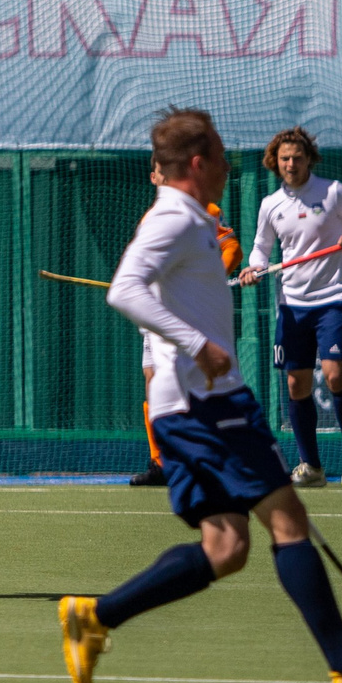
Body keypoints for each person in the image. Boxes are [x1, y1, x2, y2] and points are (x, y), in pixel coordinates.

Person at [59, 109, 342, 683]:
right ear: (199, 164)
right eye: (224, 156)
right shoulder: (173, 218)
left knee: (226, 548)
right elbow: (125, 288)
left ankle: (94, 617)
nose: (233, 167)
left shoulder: (198, 220)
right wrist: (199, 346)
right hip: (203, 407)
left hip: (201, 405)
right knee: (287, 520)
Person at [238, 128, 342, 488]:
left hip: (333, 298)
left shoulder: (332, 192)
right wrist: (254, 267)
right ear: (275, 162)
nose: (290, 164)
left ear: (309, 159)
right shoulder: (271, 205)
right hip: (292, 306)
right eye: (284, 158)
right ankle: (311, 466)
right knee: (295, 384)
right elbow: (260, 247)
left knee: (334, 375)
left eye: (297, 158)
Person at [131, 192, 242, 487]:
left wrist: (212, 278)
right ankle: (160, 464)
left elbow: (232, 248)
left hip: (191, 314)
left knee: (197, 388)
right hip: (156, 315)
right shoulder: (152, 216)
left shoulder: (209, 210)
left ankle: (204, 459)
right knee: (153, 385)